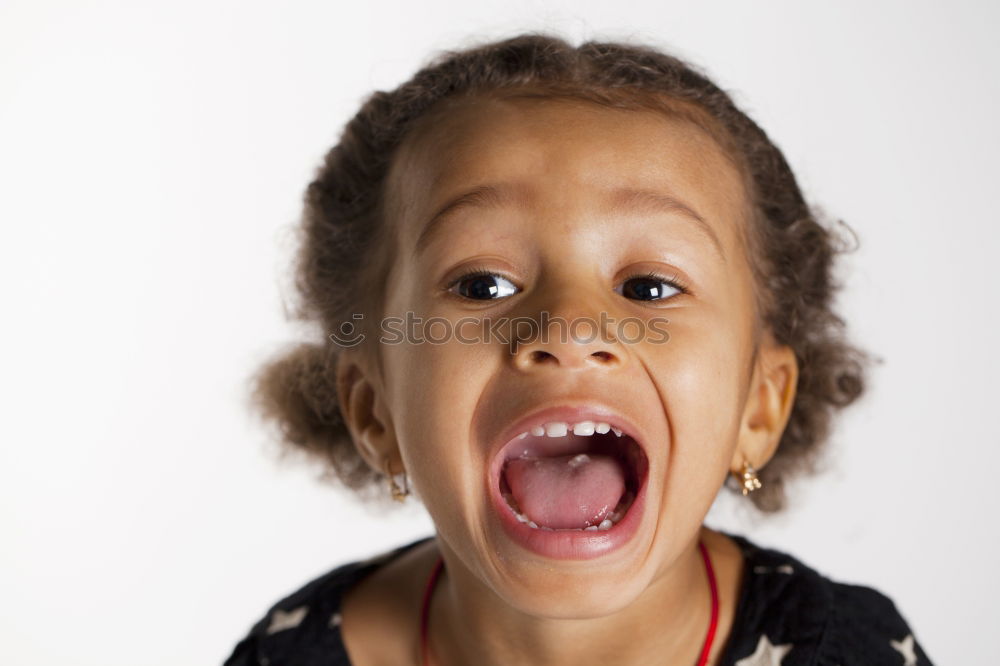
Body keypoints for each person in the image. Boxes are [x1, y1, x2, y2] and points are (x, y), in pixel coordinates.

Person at [223, 33, 933, 666]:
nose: (568, 329)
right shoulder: (292, 651)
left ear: (759, 405)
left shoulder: (850, 654)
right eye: (482, 284)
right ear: (374, 411)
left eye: (651, 288)